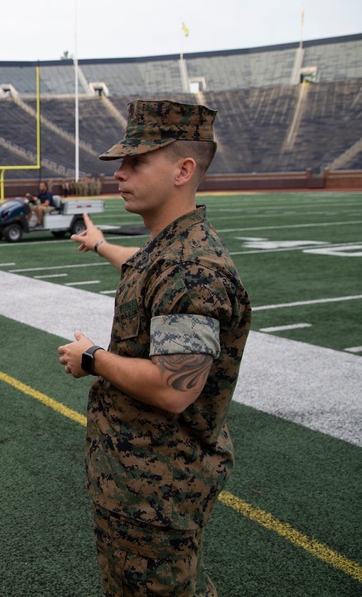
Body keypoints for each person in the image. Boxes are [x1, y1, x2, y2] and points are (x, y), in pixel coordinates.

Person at [56, 100, 251, 596]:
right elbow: (141, 268)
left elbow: (173, 388)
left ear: (183, 170)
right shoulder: (166, 252)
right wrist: (99, 243)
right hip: (138, 482)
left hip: (159, 488)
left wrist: (92, 358)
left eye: (136, 161)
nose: (119, 173)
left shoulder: (192, 268)